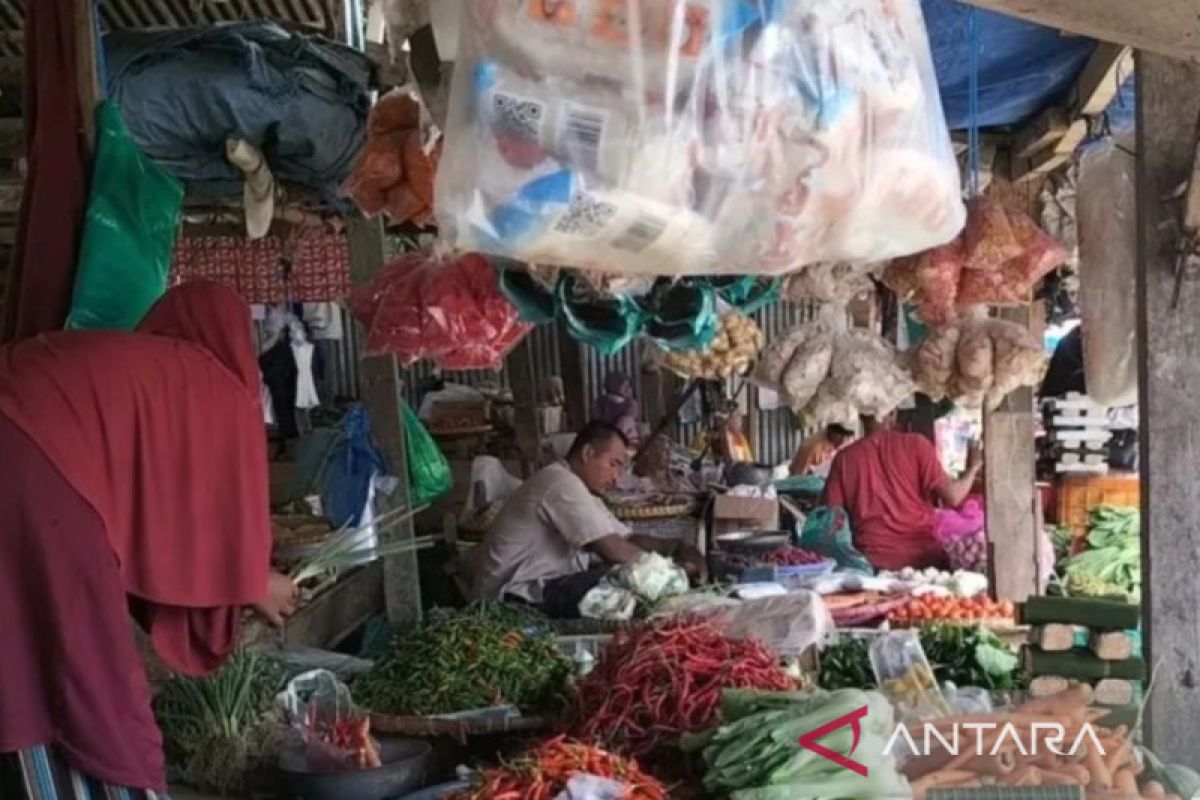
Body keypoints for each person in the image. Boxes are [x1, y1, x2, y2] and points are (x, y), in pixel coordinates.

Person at [0, 282, 298, 799]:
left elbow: (157, 510)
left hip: (25, 445)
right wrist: (253, 582)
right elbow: (213, 520)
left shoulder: (140, 365)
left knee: (14, 648)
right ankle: (119, 785)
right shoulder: (218, 387)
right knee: (87, 664)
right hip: (33, 470)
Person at [464, 421, 702, 617]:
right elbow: (613, 549)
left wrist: (675, 546)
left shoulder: (584, 493)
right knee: (622, 586)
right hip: (508, 600)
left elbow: (627, 537)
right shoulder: (559, 483)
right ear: (588, 453)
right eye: (613, 465)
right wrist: (671, 573)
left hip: (537, 588)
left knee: (622, 581)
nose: (616, 478)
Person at [822, 411, 982, 571]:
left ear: (861, 416)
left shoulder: (844, 459)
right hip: (925, 564)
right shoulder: (917, 445)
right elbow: (954, 497)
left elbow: (831, 519)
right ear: (893, 413)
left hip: (872, 565)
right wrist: (973, 467)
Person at [789, 423, 855, 476]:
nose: (843, 439)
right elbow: (797, 480)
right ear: (831, 430)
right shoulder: (811, 448)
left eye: (848, 435)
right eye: (840, 434)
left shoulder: (849, 443)